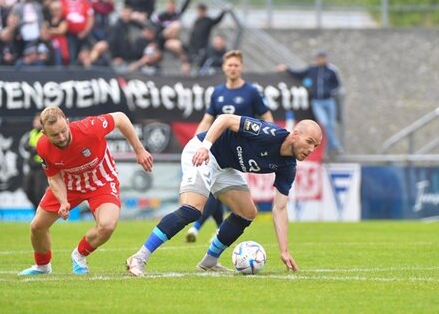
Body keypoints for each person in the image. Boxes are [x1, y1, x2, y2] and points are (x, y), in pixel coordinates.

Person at [126, 114, 322, 276]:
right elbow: (225, 119)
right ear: (295, 134)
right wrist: (206, 147)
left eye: (315, 146)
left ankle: (209, 262)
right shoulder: (268, 133)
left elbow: (279, 208)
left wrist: (284, 251)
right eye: (309, 142)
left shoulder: (288, 167)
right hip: (203, 152)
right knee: (192, 210)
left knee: (247, 212)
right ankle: (139, 257)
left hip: (225, 166)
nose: (311, 150)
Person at [18, 107, 153, 275]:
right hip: (70, 185)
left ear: (67, 123)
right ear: (44, 133)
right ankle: (42, 266)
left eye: (63, 131)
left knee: (107, 226)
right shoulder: (42, 146)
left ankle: (79, 255)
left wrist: (139, 150)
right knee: (37, 226)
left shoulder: (90, 128)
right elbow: (53, 177)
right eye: (54, 135)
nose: (61, 137)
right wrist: (63, 201)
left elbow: (120, 117)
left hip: (101, 181)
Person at [185, 50, 274, 244]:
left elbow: (267, 118)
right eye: (229, 65)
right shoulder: (218, 93)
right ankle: (212, 231)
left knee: (225, 195)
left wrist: (268, 141)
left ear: (241, 68)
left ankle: (208, 229)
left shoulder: (251, 92)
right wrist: (196, 143)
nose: (232, 68)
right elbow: (207, 120)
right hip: (217, 151)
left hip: (240, 154)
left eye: (236, 65)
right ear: (224, 67)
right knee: (213, 191)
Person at [277, 51, 344, 158]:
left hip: (328, 101)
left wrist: (330, 91)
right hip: (317, 101)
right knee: (324, 123)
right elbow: (298, 74)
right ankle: (335, 146)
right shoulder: (312, 69)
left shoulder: (331, 70)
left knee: (331, 124)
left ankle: (329, 149)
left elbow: (337, 84)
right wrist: (286, 69)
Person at [23, 113, 48, 211]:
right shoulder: (32, 132)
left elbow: (41, 148)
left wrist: (34, 149)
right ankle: (37, 208)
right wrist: (33, 149)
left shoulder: (45, 133)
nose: (34, 122)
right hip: (32, 167)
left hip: (40, 168)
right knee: (28, 190)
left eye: (37, 120)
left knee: (39, 192)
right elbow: (26, 146)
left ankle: (40, 212)